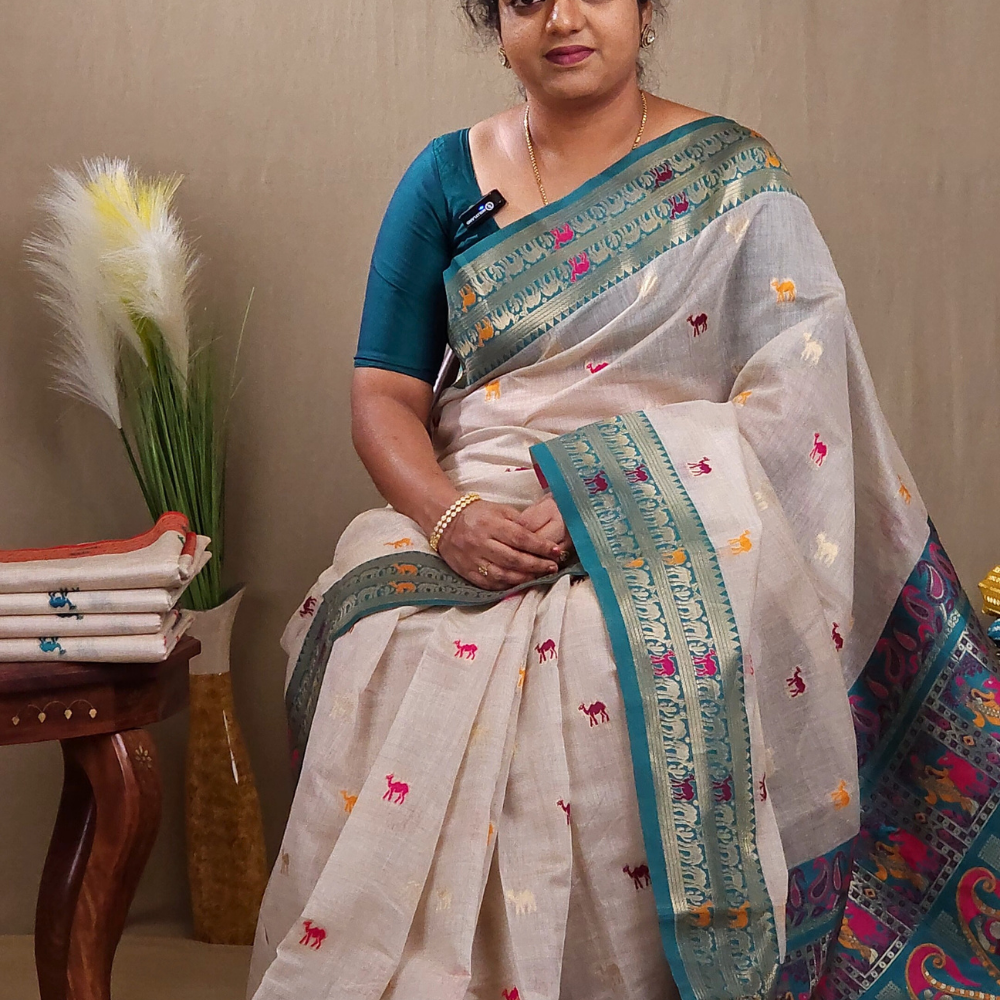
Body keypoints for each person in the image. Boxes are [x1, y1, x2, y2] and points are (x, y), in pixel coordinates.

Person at [248, 2, 1000, 998]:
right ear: (496, 20)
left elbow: (796, 398)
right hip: (468, 506)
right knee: (373, 638)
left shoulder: (731, 175)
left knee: (606, 652)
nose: (561, 17)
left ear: (644, 10)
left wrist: (609, 489)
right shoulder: (444, 177)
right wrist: (448, 519)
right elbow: (384, 394)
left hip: (682, 513)